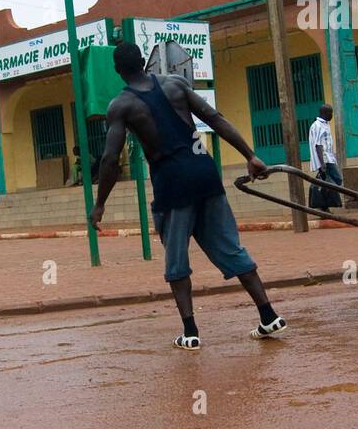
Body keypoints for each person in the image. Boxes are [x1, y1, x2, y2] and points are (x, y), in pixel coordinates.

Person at [90, 42, 287, 349]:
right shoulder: (176, 84)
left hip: (173, 185)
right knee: (232, 250)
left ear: (118, 71)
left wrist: (100, 204)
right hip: (205, 174)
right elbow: (215, 118)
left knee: (176, 261)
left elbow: (110, 160)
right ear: (144, 61)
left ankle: (191, 332)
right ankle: (268, 315)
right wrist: (250, 155)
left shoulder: (121, 106)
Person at [308, 104, 342, 209]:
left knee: (332, 181)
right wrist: (322, 163)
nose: (331, 115)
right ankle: (323, 205)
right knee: (336, 179)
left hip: (329, 158)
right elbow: (318, 145)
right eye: (330, 113)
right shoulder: (317, 125)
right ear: (324, 113)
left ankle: (323, 204)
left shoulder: (325, 124)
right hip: (325, 159)